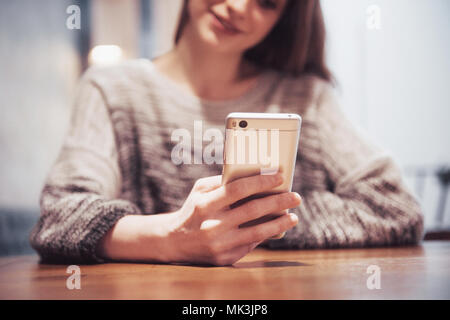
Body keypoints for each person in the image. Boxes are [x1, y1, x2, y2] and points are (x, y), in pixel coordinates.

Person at [30, 0, 424, 266]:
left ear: (282, 19)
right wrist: (168, 237)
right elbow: (60, 217)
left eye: (267, 1)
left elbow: (394, 208)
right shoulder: (110, 90)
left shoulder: (307, 98)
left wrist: (259, 224)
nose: (238, 6)